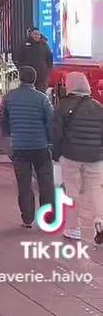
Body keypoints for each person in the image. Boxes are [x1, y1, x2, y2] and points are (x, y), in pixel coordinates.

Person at [0, 66, 54, 229]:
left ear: (20, 78)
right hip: (40, 146)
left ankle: (27, 219)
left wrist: (10, 133)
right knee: (46, 183)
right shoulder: (42, 98)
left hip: (19, 147)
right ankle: (48, 219)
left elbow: (2, 119)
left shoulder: (9, 97)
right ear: (34, 79)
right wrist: (49, 140)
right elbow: (51, 120)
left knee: (24, 184)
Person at [53, 70, 103, 244]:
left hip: (71, 156)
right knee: (97, 190)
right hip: (95, 157)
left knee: (72, 191)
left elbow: (56, 134)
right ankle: (100, 222)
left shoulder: (62, 106)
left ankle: (73, 228)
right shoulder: (98, 107)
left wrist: (57, 154)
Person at [14, 27, 54, 94]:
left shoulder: (44, 45)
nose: (37, 36)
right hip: (28, 77)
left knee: (41, 94)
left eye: (38, 34)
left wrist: (48, 72)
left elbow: (49, 59)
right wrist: (22, 70)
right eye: (35, 34)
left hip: (42, 76)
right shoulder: (25, 45)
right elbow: (19, 58)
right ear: (31, 34)